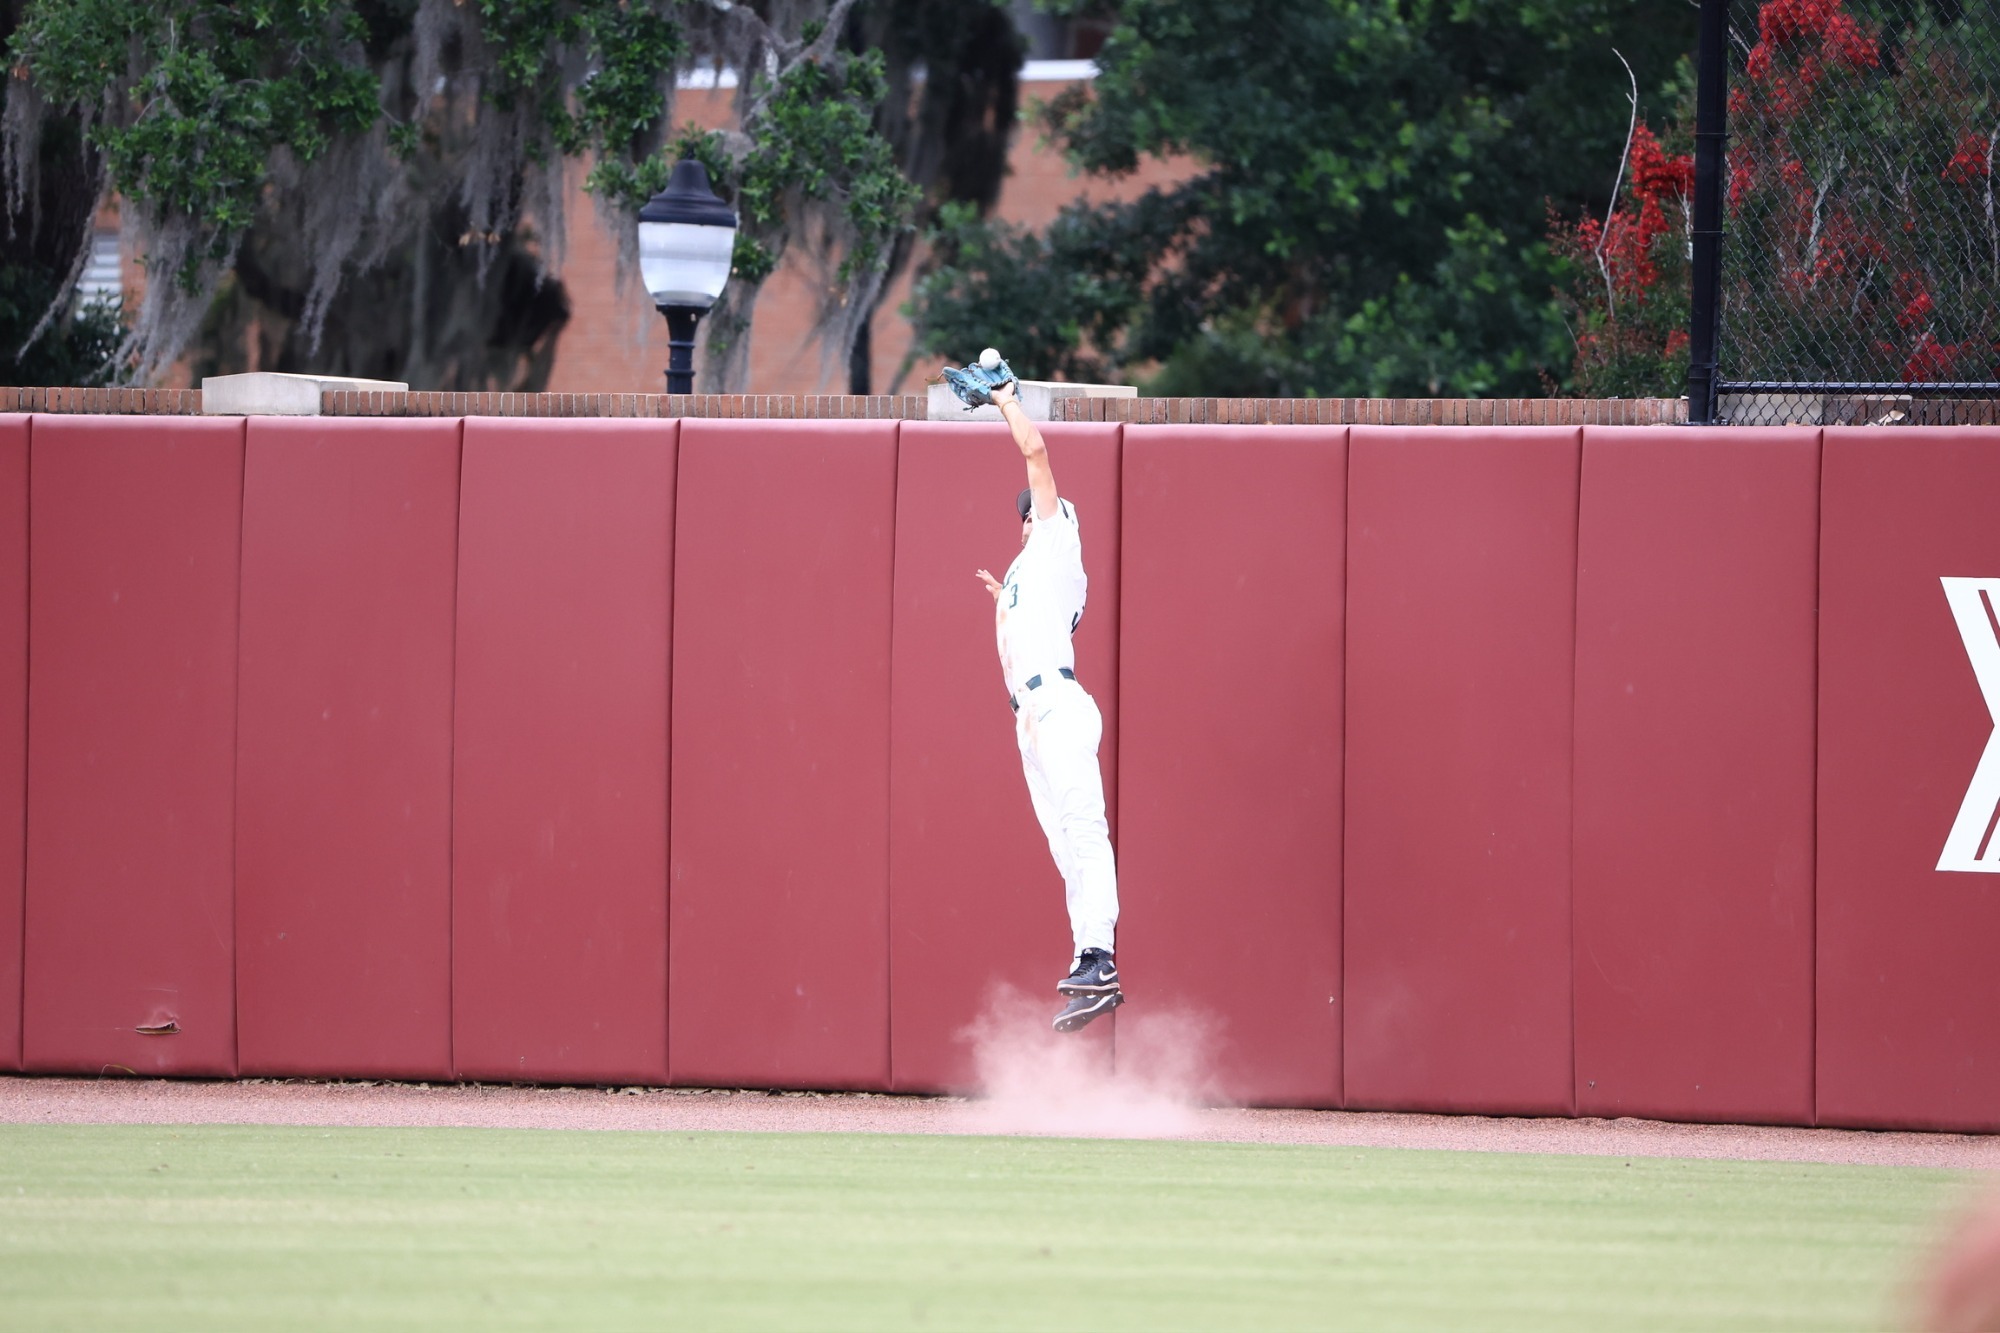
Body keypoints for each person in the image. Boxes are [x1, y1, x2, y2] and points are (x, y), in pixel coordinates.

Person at [973, 378, 1124, 1032]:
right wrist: (1000, 597)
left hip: (1058, 704)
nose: (1026, 517)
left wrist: (1006, 398)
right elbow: (1033, 616)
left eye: (1031, 511)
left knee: (1084, 829)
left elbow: (1035, 456)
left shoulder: (1058, 535)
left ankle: (1101, 957)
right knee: (1068, 849)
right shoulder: (1029, 572)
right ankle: (1088, 966)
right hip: (1030, 721)